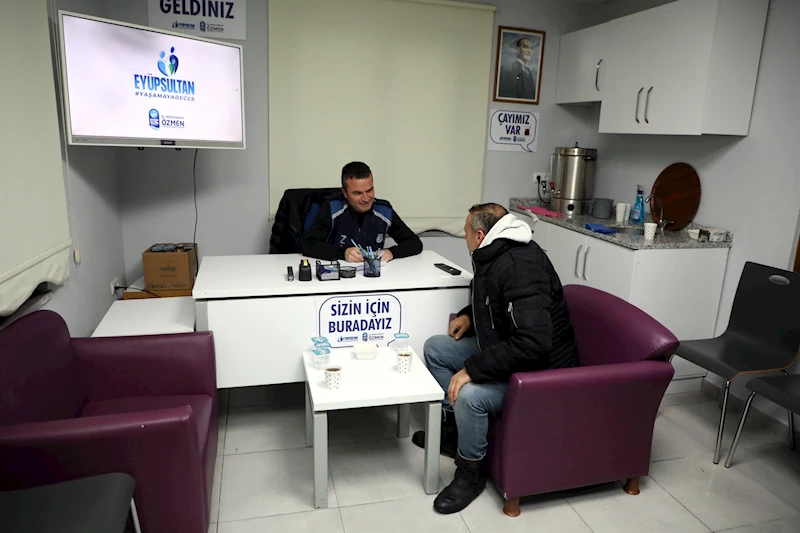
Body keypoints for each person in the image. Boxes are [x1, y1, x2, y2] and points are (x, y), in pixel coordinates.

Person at [411, 203, 578, 514]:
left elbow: (533, 344)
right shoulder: (495, 252)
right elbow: (497, 302)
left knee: (470, 395)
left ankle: (470, 473)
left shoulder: (520, 265)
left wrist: (472, 370)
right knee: (436, 349)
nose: (464, 238)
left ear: (479, 234)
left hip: (539, 374)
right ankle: (455, 434)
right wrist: (468, 316)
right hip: (510, 352)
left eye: (465, 233)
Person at [301, 162, 423, 262]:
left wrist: (391, 252)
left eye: (369, 190)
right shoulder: (332, 207)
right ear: (344, 192)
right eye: (357, 193)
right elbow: (308, 245)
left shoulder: (384, 210)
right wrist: (343, 253)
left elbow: (415, 243)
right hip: (339, 275)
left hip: (373, 275)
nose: (366, 198)